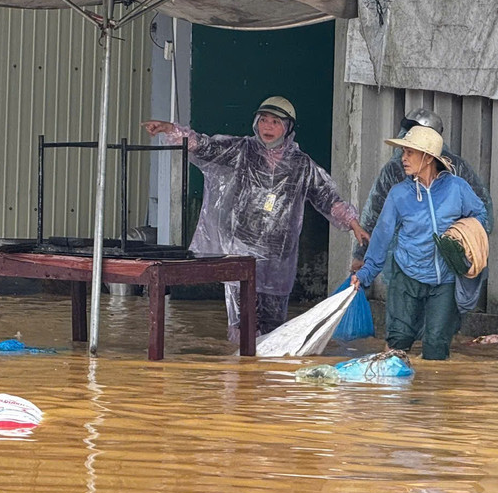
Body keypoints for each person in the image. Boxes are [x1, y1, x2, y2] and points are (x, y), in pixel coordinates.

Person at [143, 96, 371, 338]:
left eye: (275, 122)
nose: (267, 127)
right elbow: (205, 146)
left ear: (288, 128)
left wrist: (353, 224)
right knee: (243, 327)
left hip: (278, 259)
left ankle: (262, 374)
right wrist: (171, 129)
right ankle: (240, 373)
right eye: (263, 120)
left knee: (272, 327)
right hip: (242, 251)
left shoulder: (300, 165)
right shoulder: (243, 150)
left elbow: (327, 197)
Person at [350, 126, 487, 360]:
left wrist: (463, 233)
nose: (403, 158)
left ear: (428, 157)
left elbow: (480, 215)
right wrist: (366, 273)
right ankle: (394, 393)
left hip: (445, 279)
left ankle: (431, 390)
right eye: (403, 152)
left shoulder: (457, 188)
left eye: (409, 153)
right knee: (398, 341)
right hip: (407, 275)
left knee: (436, 347)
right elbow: (382, 235)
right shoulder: (399, 193)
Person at [352, 107, 493, 273]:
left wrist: (468, 241)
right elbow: (377, 215)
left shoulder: (456, 169)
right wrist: (362, 255)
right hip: (407, 264)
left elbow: (482, 211)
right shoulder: (394, 170)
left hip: (447, 262)